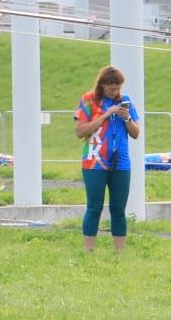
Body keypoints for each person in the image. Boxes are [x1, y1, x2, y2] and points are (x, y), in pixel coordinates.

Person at [73, 65, 140, 253]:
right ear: (102, 85)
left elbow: (136, 134)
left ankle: (119, 251)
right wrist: (105, 115)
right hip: (94, 162)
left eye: (118, 88)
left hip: (121, 163)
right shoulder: (89, 101)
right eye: (112, 88)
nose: (116, 92)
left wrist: (127, 119)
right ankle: (89, 249)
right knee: (94, 206)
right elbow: (80, 131)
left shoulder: (125, 101)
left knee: (118, 208)